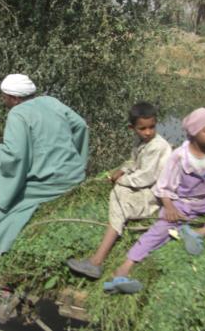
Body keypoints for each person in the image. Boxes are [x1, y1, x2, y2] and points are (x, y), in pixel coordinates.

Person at [103, 107, 205, 294]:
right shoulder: (179, 156)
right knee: (159, 230)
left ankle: (199, 232)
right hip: (184, 202)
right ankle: (123, 270)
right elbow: (164, 187)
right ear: (194, 132)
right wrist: (169, 207)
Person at [0, 74, 89, 263]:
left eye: (4, 96)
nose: (3, 100)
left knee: (0, 201)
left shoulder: (17, 114)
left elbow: (15, 158)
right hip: (74, 175)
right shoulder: (51, 101)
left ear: (15, 98)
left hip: (50, 183)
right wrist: (75, 159)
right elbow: (81, 126)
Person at [67, 102, 172, 279]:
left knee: (119, 195)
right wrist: (122, 169)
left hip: (155, 193)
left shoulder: (158, 146)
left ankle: (96, 260)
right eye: (142, 128)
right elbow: (134, 161)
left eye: (152, 127)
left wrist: (121, 180)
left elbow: (146, 176)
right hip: (145, 185)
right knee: (118, 191)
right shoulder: (141, 141)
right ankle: (97, 259)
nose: (148, 132)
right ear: (132, 128)